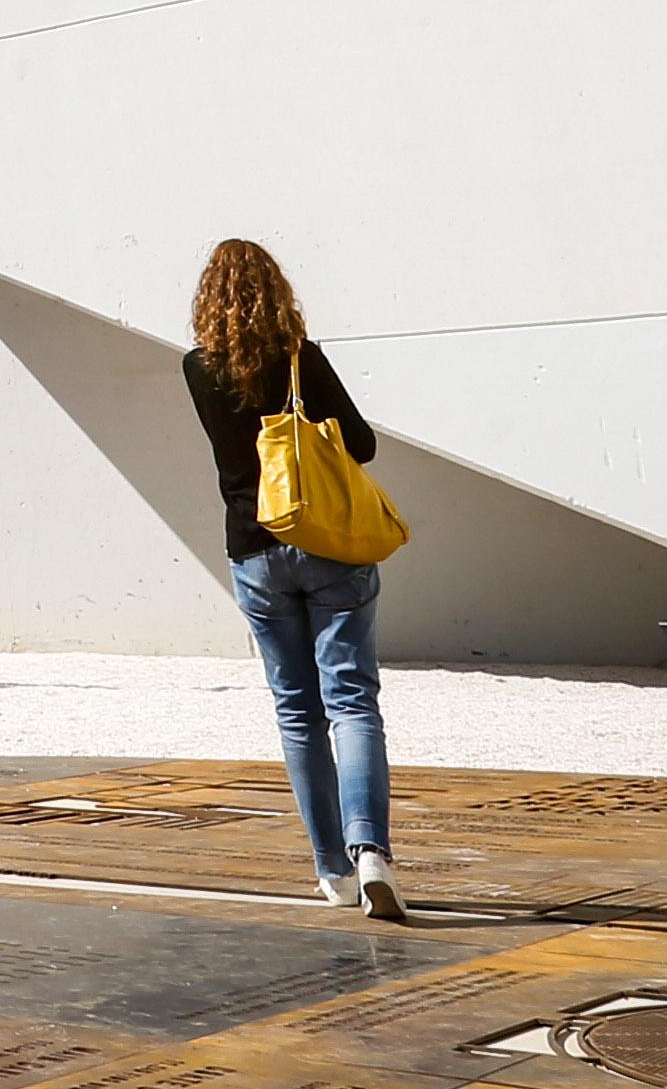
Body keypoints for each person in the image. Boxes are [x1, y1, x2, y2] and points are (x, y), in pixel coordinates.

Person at [183, 237, 400, 918]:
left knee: (297, 711)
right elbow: (360, 445)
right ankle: (371, 855)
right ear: (277, 291)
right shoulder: (301, 358)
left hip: (253, 550)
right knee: (352, 702)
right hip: (328, 542)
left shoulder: (197, 367)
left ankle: (331, 872)